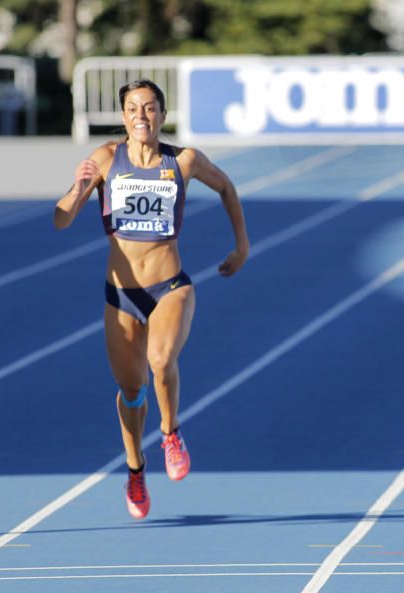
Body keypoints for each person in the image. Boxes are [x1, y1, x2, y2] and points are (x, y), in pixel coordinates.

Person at [53, 79, 249, 519]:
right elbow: (61, 221)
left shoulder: (184, 161)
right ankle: (136, 469)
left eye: (150, 108)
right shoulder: (106, 159)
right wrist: (76, 187)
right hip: (120, 295)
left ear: (162, 114)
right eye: (133, 109)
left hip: (171, 287)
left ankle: (171, 432)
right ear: (123, 117)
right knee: (130, 387)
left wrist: (242, 246)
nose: (141, 116)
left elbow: (227, 189)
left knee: (160, 361)